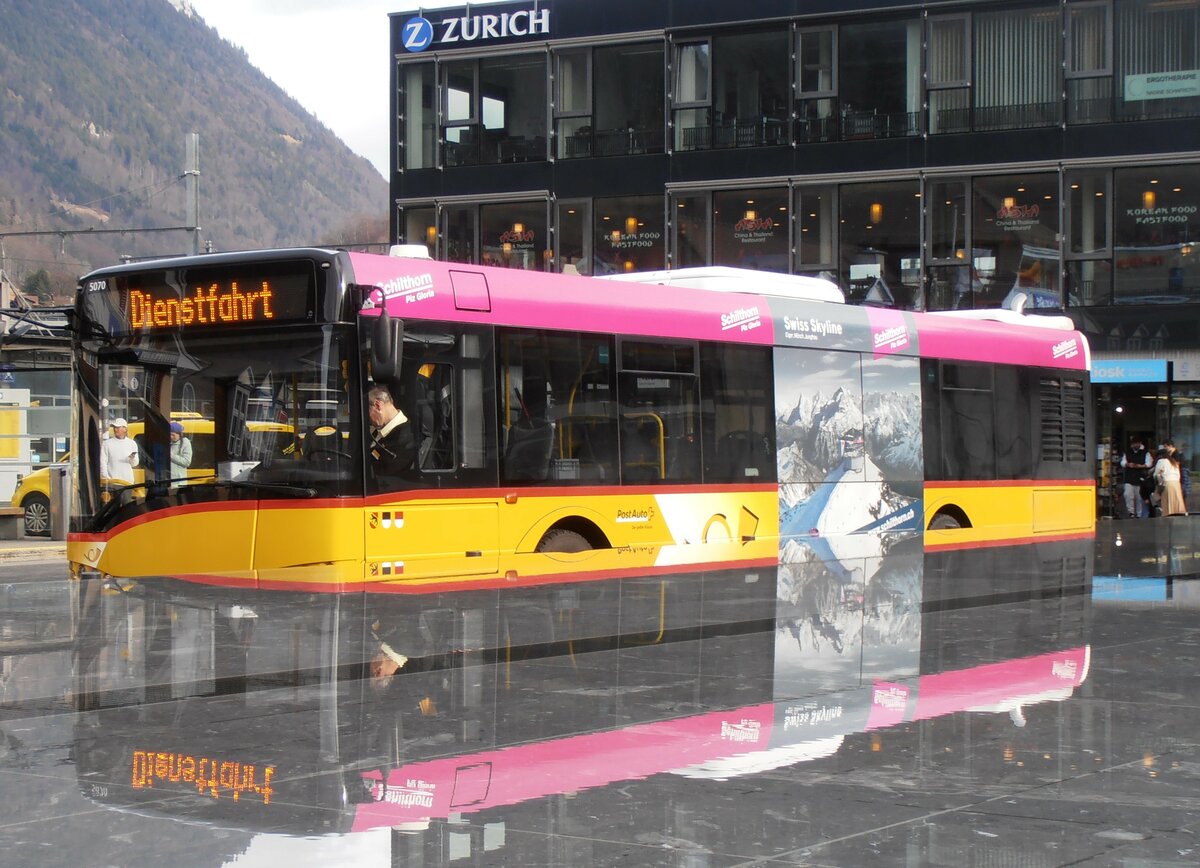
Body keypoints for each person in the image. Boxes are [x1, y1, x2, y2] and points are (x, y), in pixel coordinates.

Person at [366, 386, 416, 477]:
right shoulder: (376, 430)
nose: (366, 418)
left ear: (377, 405)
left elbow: (385, 475)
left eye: (366, 412)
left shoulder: (406, 438)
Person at [1120, 436, 1153, 518]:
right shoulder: (1127, 452)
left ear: (1140, 443)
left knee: (1139, 497)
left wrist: (1139, 466)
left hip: (1140, 477)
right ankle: (1131, 512)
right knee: (1128, 494)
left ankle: (1139, 513)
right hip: (1129, 477)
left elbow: (1149, 463)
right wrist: (1128, 464)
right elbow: (1123, 462)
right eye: (1134, 444)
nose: (1135, 445)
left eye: (1137, 443)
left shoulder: (1145, 452)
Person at [99, 417, 139, 485]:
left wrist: (132, 458)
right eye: (114, 427)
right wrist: (106, 477)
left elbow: (134, 464)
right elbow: (103, 461)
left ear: (125, 429)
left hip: (127, 483)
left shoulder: (132, 443)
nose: (115, 429)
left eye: (118, 427)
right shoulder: (107, 443)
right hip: (112, 483)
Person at [1154, 444, 1188, 517]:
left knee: (1164, 500)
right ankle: (1180, 512)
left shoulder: (1161, 461)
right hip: (1176, 484)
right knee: (1177, 501)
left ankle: (1165, 512)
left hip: (1167, 483)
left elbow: (1156, 474)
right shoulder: (1173, 462)